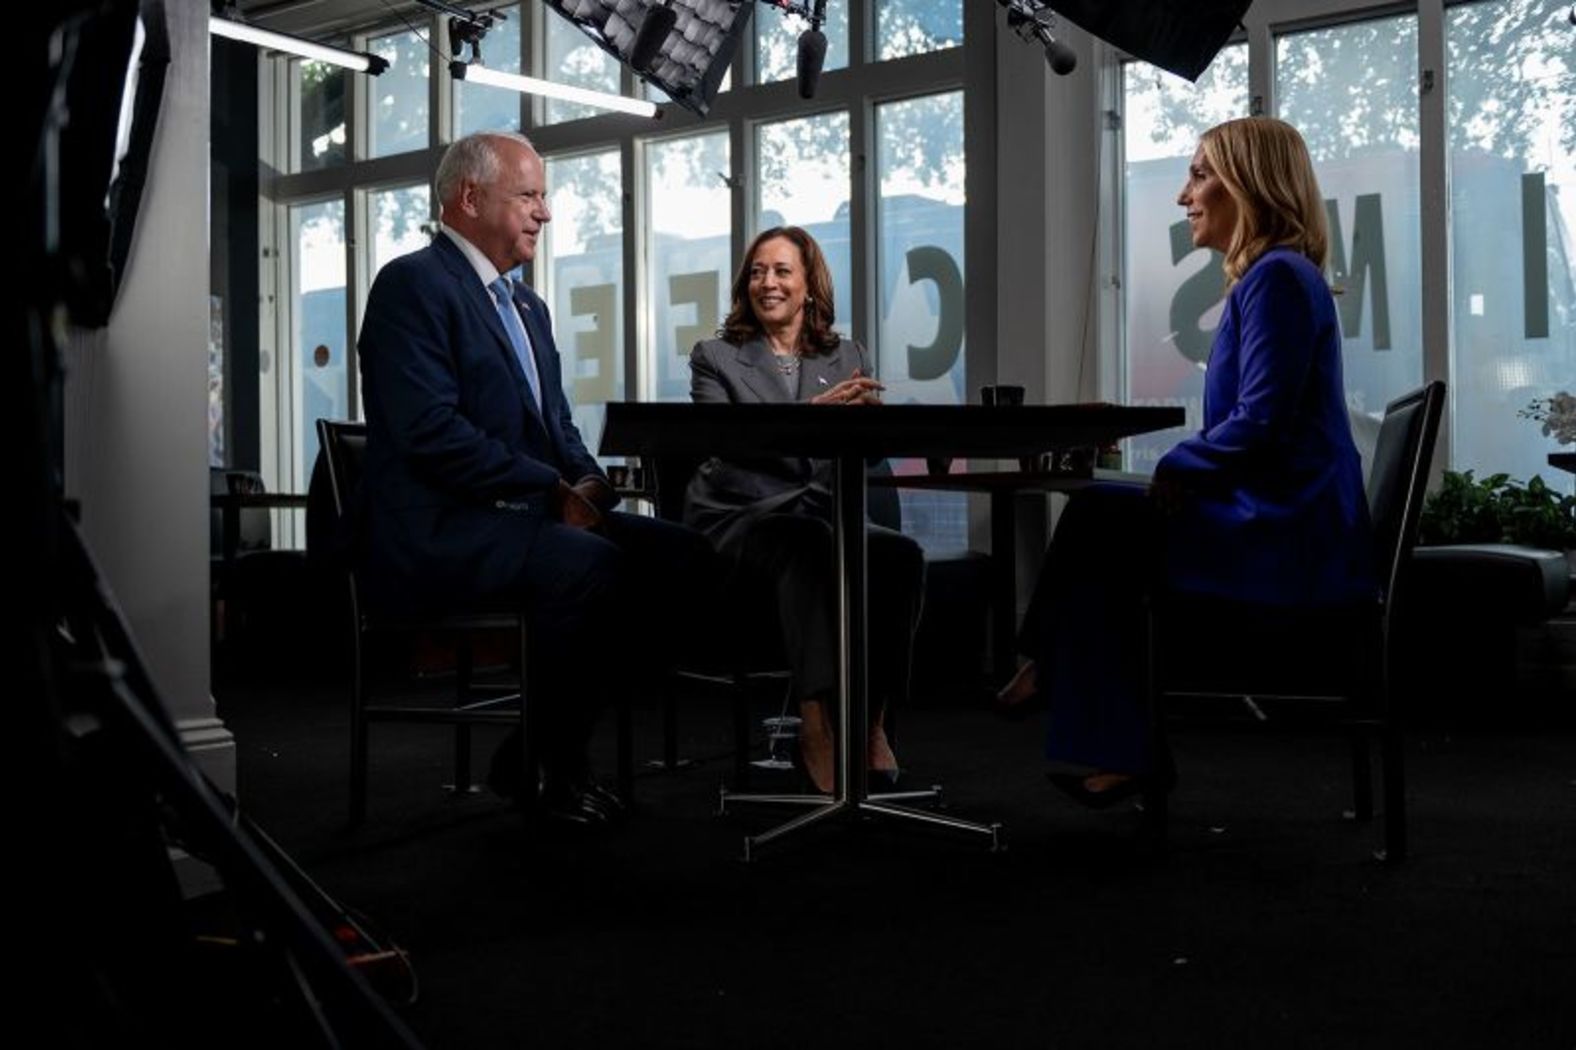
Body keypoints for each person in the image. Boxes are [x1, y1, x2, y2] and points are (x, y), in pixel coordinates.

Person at [998, 117, 1375, 805]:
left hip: (1288, 535)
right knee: (1104, 515)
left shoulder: (1279, 280)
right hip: (1280, 518)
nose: (1184, 196)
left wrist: (1180, 465)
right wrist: (1186, 467)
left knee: (1100, 516)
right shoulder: (1276, 279)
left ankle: (1069, 686)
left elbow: (1259, 420)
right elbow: (1254, 426)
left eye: (1200, 174)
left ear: (1247, 185)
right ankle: (1077, 695)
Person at [356, 131, 713, 828]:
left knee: (683, 558)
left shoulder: (528, 306)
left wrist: (585, 478)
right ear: (469, 197)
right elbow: (429, 431)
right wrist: (547, 491)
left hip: (520, 518)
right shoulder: (412, 284)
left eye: (543, 197)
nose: (544, 213)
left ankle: (532, 746)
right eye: (528, 195)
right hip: (440, 526)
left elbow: (555, 425)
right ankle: (557, 769)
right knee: (589, 566)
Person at [684, 226, 925, 794]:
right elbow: (731, 447)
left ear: (809, 285)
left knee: (899, 553)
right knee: (810, 549)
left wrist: (867, 421)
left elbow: (867, 454)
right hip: (744, 512)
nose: (767, 283)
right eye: (758, 272)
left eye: (782, 271)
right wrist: (816, 418)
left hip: (820, 505)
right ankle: (815, 725)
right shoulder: (715, 356)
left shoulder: (847, 354)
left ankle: (868, 722)